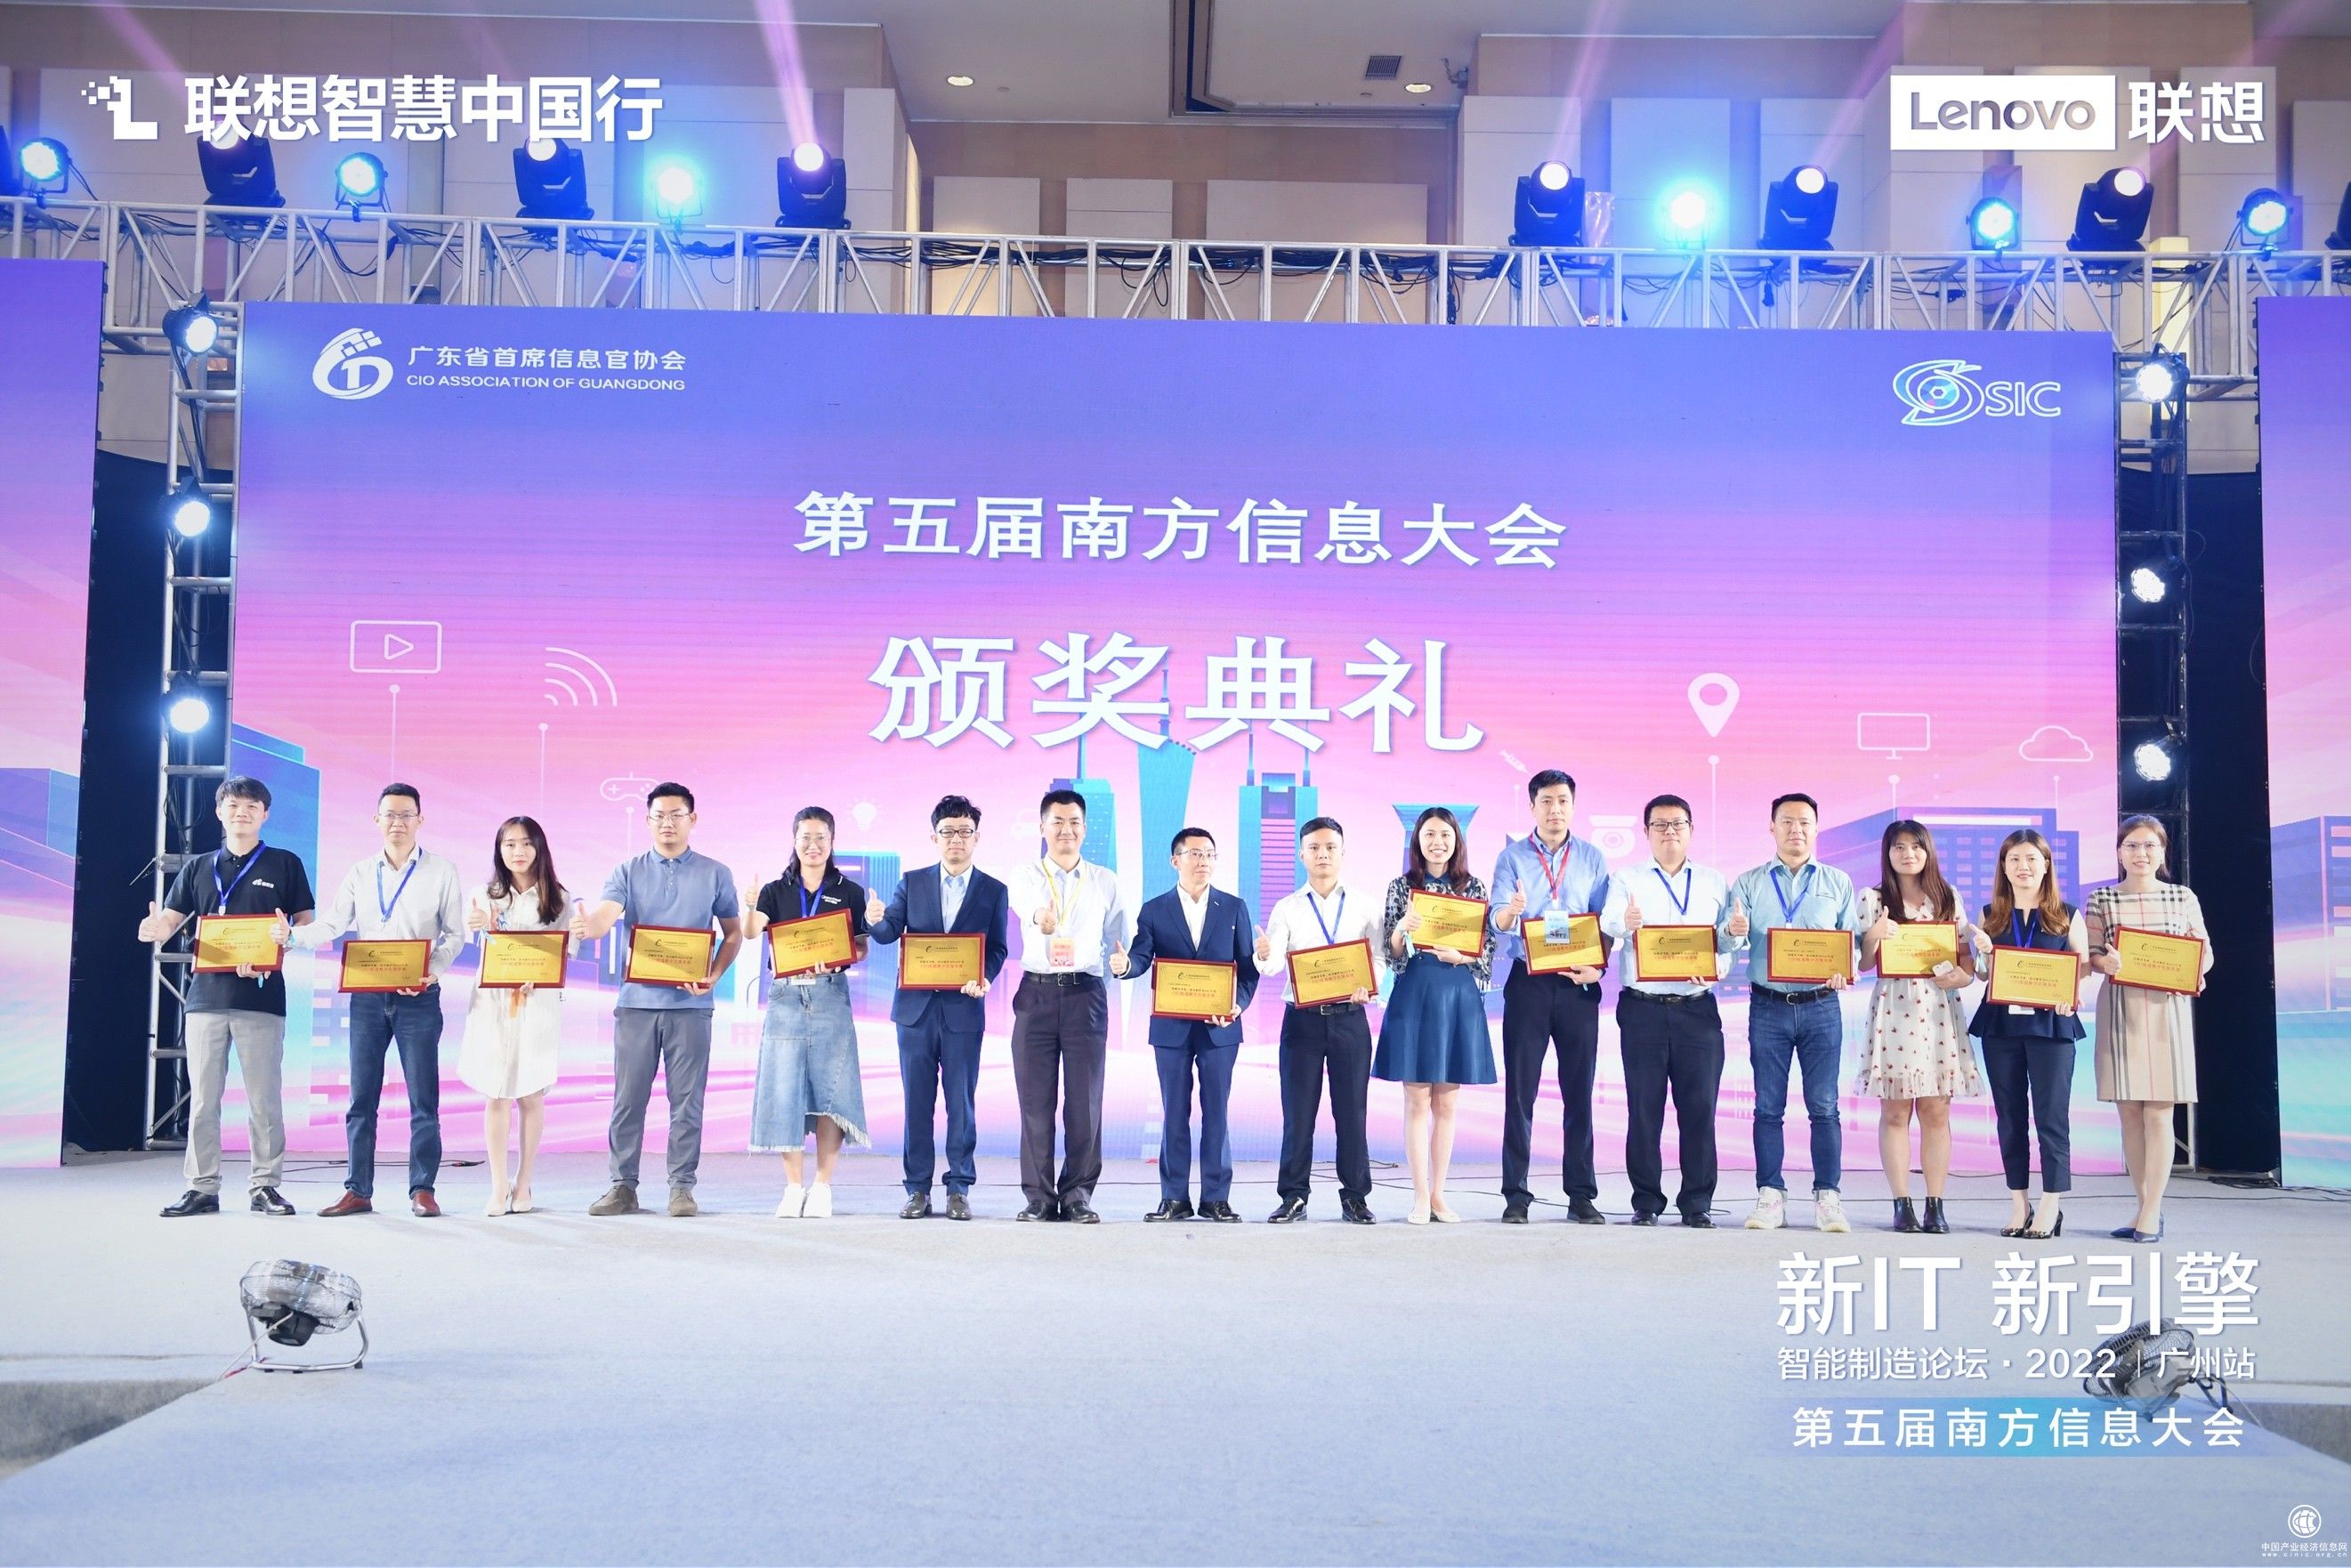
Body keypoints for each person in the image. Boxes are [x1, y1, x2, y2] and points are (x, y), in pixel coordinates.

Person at [283, 782, 467, 1217]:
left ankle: (423, 1189)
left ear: (420, 820)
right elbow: (332, 924)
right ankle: (358, 1190)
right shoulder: (360, 873)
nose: (397, 822)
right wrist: (290, 936)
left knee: (423, 1099)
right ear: (377, 820)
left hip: (419, 996)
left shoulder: (442, 871)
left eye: (406, 814)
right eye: (390, 814)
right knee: (361, 1099)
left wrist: (432, 972)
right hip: (367, 997)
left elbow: (455, 934)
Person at [142, 776, 315, 1217]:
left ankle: (265, 1186)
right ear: (220, 812)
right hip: (205, 999)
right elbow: (171, 920)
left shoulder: (285, 863)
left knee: (264, 1099)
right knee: (203, 1099)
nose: (242, 813)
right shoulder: (198, 867)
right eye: (234, 805)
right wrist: (156, 928)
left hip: (262, 997)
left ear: (265, 814)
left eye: (252, 806)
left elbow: (306, 923)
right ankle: (202, 1187)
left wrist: (289, 937)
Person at [571, 783, 743, 1219]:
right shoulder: (627, 871)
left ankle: (681, 1188)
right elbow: (607, 915)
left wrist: (713, 976)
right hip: (637, 1004)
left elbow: (733, 933)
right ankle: (622, 1186)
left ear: (692, 819)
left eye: (676, 814)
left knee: (688, 1101)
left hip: (692, 1007)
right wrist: (591, 926)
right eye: (659, 815)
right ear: (647, 821)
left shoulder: (715, 872)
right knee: (628, 1100)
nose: (667, 823)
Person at [865, 795, 1009, 1221]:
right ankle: (917, 1190)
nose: (956, 839)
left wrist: (985, 977)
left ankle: (959, 1188)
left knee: (961, 1104)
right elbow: (889, 933)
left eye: (965, 831)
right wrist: (875, 919)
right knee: (917, 1103)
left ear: (976, 837)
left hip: (964, 1011)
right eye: (948, 832)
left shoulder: (994, 890)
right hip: (915, 1013)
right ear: (934, 837)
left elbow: (998, 948)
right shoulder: (912, 883)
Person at [1722, 792, 1859, 1233]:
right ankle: (1770, 1195)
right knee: (1767, 1106)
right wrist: (1732, 931)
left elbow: (1851, 944)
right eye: (1786, 821)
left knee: (1824, 1106)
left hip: (1822, 1006)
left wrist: (1845, 969)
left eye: (1804, 822)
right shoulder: (1749, 882)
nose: (1795, 829)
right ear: (1772, 827)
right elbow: (1729, 943)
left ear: (1816, 828)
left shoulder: (1838, 881)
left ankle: (1828, 1197)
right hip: (1768, 1006)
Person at [1598, 795, 1735, 1228]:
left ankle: (1697, 1203)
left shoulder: (1714, 881)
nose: (1669, 831)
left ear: (1691, 829)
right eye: (1660, 824)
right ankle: (1646, 1201)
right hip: (1643, 1010)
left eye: (1678, 823)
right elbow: (1607, 922)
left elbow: (1727, 942)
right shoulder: (1627, 878)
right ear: (1646, 832)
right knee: (1644, 1109)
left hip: (1697, 1008)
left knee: (1700, 1109)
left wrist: (1717, 967)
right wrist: (1625, 923)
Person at [1115, 828, 1259, 1222]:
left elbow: (1247, 970)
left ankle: (1216, 1198)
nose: (1203, 861)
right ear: (1175, 860)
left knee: (1217, 1113)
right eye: (1195, 854)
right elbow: (1141, 957)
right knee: (1174, 1112)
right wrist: (1125, 966)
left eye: (1210, 854)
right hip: (1172, 1027)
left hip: (1220, 1026)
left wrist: (1238, 1005)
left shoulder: (1234, 908)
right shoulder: (1154, 910)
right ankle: (1174, 1197)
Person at [1488, 769, 1612, 1224]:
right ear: (1532, 807)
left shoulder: (1593, 858)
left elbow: (1605, 921)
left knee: (1579, 1092)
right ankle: (1516, 1195)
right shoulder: (1512, 858)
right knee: (1520, 1093)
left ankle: (1581, 1195)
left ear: (1573, 806)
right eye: (1546, 801)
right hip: (1529, 982)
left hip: (1577, 983)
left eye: (1562, 801)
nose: (1555, 809)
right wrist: (1511, 912)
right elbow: (1497, 920)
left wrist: (1598, 968)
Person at [1005, 788, 1130, 1223]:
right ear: (1042, 827)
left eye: (1074, 822)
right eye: (1057, 822)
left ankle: (1077, 1194)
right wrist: (1040, 917)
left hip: (1085, 996)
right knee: (1035, 1101)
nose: (1066, 830)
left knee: (1085, 1102)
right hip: (1036, 994)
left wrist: (1122, 964)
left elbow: (1121, 938)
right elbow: (1027, 906)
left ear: (1085, 828)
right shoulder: (1025, 875)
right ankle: (1038, 1196)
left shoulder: (1105, 880)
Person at [2087, 815, 2210, 1243]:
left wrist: (2195, 972)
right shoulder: (2102, 898)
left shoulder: (2182, 897)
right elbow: (2091, 955)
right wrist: (2105, 961)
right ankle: (2144, 1208)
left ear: (2162, 852)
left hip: (2166, 1012)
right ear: (2119, 852)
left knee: (2159, 1112)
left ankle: (2152, 1210)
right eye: (2132, 846)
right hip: (2121, 1010)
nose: (2141, 853)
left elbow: (2204, 952)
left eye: (2149, 846)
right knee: (2129, 1114)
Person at [1854, 820, 1979, 1234]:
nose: (1908, 854)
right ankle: (1901, 1203)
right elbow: (1864, 963)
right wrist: (1874, 935)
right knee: (1895, 1110)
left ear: (1928, 851)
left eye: (1916, 846)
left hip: (1938, 1010)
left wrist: (1961, 977)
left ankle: (1935, 1205)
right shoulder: (1873, 898)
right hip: (1894, 1010)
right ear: (1887, 853)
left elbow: (1966, 959)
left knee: (1936, 1110)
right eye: (1899, 847)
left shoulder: (1948, 897)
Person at [746, 806, 870, 1219]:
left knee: (831, 1091)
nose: (813, 845)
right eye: (805, 837)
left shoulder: (850, 891)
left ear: (832, 841)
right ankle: (792, 1187)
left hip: (831, 995)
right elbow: (752, 932)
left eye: (821, 837)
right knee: (786, 1089)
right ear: (794, 840)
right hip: (786, 998)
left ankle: (822, 1188)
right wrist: (749, 907)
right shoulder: (774, 890)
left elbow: (862, 947)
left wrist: (836, 956)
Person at [1256, 815, 1381, 1224]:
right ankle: (1294, 1196)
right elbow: (1274, 964)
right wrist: (1262, 954)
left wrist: (1369, 985)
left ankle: (1355, 1198)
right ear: (1301, 854)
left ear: (1343, 853)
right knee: (1298, 1113)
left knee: (1352, 1113)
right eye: (1314, 848)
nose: (1322, 854)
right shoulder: (1287, 907)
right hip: (1302, 1022)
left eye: (1330, 847)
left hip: (1350, 1019)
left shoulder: (1364, 904)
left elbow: (1379, 957)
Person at [1372, 806, 1494, 1224]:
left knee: (1447, 1101)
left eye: (1445, 834)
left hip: (1457, 994)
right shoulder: (1402, 887)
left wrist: (1463, 956)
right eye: (1429, 835)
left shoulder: (1473, 886)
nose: (1437, 842)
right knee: (1416, 1099)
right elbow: (1391, 953)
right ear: (1417, 840)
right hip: (1416, 993)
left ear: (1457, 840)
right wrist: (1402, 928)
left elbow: (1486, 950)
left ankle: (1440, 1195)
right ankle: (1420, 1196)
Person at [1966, 828, 2087, 1241]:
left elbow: (2080, 968)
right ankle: (2019, 1202)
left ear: (2047, 865)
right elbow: (1982, 975)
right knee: (2010, 1118)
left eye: (2032, 858)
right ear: (2003, 867)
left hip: (2052, 1027)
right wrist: (1984, 952)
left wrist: (2070, 996)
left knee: (2051, 1117)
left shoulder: (2067, 914)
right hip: (2001, 1027)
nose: (2023, 866)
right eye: (2014, 859)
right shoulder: (1990, 915)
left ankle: (2051, 1203)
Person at [456, 816, 570, 1216]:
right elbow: (473, 933)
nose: (518, 852)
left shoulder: (558, 898)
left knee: (531, 1093)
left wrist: (537, 974)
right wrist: (477, 924)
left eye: (525, 843)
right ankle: (498, 1185)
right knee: (496, 1091)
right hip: (492, 1003)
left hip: (537, 1003)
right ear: (499, 850)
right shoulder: (483, 895)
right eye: (509, 844)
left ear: (539, 848)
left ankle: (524, 1183)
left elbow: (563, 952)